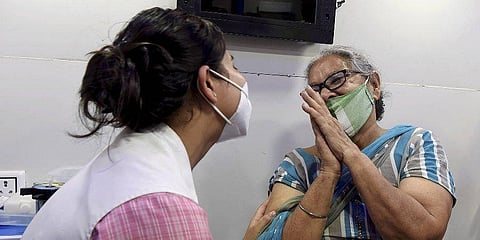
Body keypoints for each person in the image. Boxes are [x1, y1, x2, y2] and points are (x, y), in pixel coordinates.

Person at [22, 7, 275, 240]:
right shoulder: (159, 205)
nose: (242, 81)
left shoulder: (131, 164)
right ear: (209, 82)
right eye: (233, 65)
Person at [259, 45, 456, 239]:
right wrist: (328, 172)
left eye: (337, 80)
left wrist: (349, 152)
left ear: (374, 85)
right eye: (316, 90)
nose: (326, 95)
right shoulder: (299, 164)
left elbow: (424, 233)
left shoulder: (414, 144)